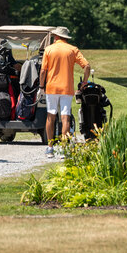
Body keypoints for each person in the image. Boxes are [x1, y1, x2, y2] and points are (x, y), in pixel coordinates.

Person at [38, 26, 90, 158]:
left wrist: (41, 86)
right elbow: (87, 66)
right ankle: (63, 148)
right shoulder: (73, 49)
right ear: (66, 37)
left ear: (56, 37)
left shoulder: (49, 49)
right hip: (67, 87)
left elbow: (43, 70)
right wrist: (84, 82)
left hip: (51, 87)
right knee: (65, 117)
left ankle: (50, 148)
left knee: (51, 116)